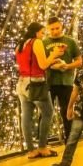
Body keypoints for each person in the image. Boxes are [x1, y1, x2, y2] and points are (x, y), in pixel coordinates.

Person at [17, 22, 64, 158]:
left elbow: (30, 62)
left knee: (26, 116)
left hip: (22, 82)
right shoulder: (36, 42)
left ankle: (31, 150)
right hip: (36, 83)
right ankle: (42, 147)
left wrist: (51, 60)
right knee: (48, 112)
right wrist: (54, 54)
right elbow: (43, 65)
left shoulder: (20, 44)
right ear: (36, 32)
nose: (43, 36)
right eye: (42, 32)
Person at [43, 16, 82, 141]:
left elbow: (79, 61)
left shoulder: (70, 41)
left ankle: (69, 140)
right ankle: (42, 142)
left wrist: (67, 66)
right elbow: (41, 63)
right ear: (47, 29)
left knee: (67, 111)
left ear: (62, 27)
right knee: (45, 112)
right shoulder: (43, 42)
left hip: (66, 82)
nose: (55, 31)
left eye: (57, 28)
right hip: (48, 82)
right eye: (52, 29)